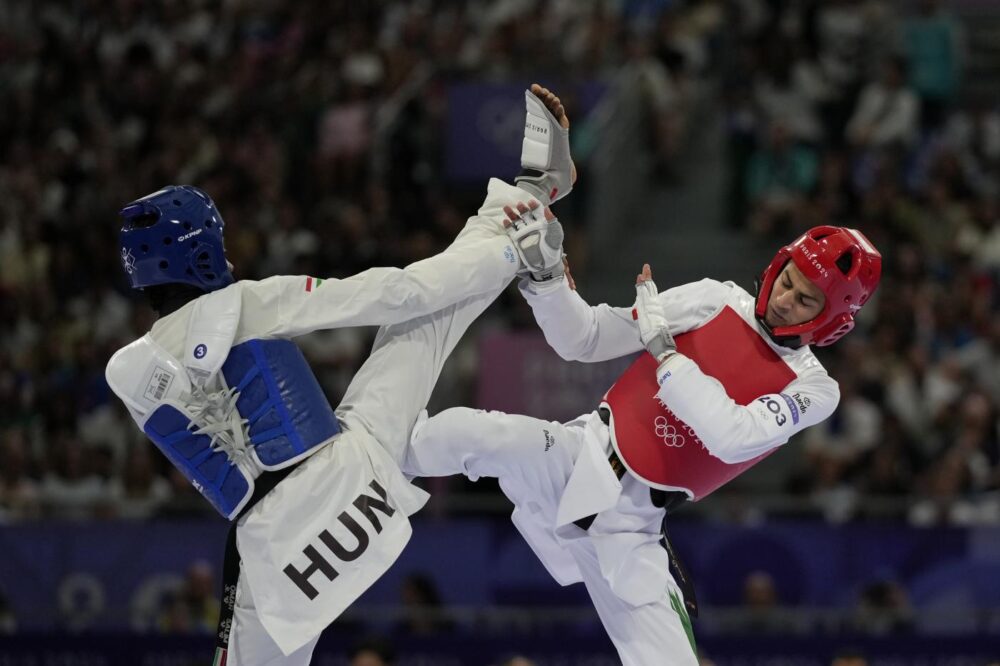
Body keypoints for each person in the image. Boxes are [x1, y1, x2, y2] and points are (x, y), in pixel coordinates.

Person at [104, 84, 574, 664]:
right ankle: (527, 207)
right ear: (202, 252)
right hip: (346, 477)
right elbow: (401, 293)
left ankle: (527, 208)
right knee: (418, 324)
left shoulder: (126, 372)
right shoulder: (249, 301)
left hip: (272, 552)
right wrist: (507, 258)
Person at [404, 219, 882, 664]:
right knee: (475, 433)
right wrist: (547, 282)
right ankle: (379, 461)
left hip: (633, 530)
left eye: (805, 301)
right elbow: (585, 339)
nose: (783, 300)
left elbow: (731, 436)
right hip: (584, 453)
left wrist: (667, 356)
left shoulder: (815, 390)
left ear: (833, 320)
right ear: (777, 265)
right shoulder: (715, 299)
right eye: (788, 280)